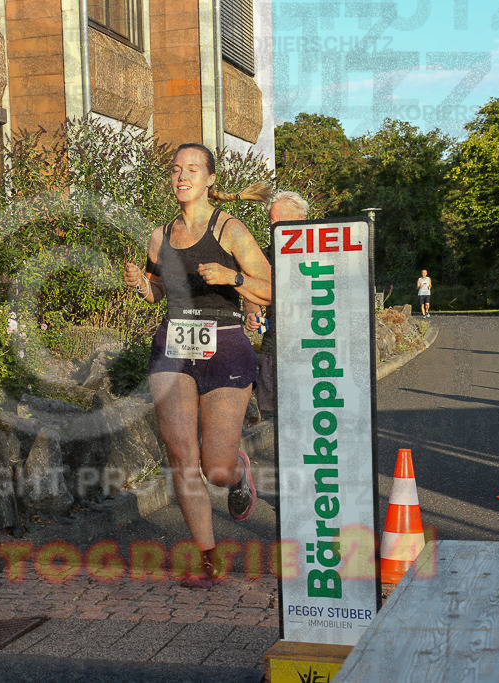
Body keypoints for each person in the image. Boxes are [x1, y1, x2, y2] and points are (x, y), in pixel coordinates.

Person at [122, 143, 271, 589]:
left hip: (225, 345)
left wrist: (234, 279)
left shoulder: (230, 229)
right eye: (175, 170)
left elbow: (273, 288)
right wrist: (137, 285)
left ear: (209, 179)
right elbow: (155, 294)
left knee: (216, 468)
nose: (181, 176)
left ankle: (238, 473)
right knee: (181, 456)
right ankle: (209, 559)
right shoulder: (159, 236)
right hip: (172, 345)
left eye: (192, 169)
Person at [244, 191, 310, 419]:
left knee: (309, 415)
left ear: (302, 222)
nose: (275, 228)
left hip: (315, 347)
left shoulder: (321, 253)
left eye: (281, 221)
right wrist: (252, 313)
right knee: (273, 417)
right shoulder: (263, 258)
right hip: (274, 347)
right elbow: (251, 295)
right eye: (272, 222)